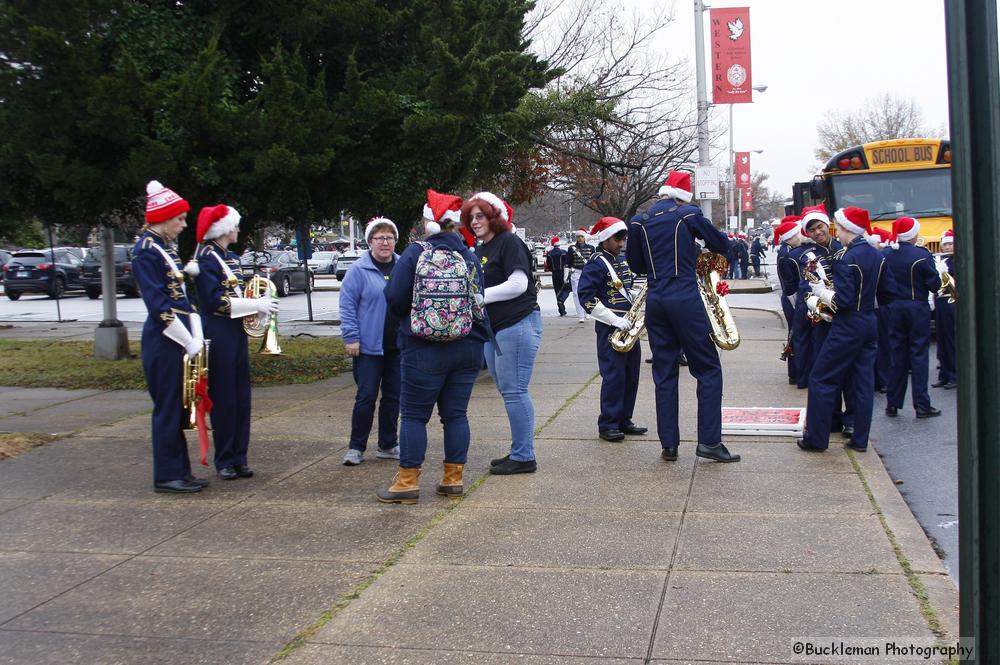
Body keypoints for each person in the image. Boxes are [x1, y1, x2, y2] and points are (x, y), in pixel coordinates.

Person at [375, 190, 490, 503]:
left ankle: (407, 483)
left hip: (422, 347)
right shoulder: (469, 254)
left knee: (413, 416)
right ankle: (454, 478)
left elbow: (396, 298)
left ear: (431, 222)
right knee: (455, 415)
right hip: (467, 347)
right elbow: (479, 299)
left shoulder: (415, 253)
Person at [626, 171, 739, 463]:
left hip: (656, 299)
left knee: (664, 372)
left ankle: (670, 444)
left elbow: (636, 264)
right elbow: (721, 244)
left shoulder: (640, 220)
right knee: (708, 369)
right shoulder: (687, 214)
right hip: (685, 297)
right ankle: (710, 442)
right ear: (684, 194)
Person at [185, 204, 277, 480]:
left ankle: (240, 456)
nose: (238, 230)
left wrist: (255, 307)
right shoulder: (205, 259)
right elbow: (215, 301)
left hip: (235, 331)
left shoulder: (230, 258)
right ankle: (224, 458)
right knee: (224, 397)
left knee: (241, 398)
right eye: (234, 225)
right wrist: (254, 304)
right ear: (223, 229)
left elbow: (237, 292)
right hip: (218, 330)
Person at [797, 207, 896, 452]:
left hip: (847, 323)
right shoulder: (877, 256)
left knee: (821, 378)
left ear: (848, 229)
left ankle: (816, 439)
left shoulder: (845, 258)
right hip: (869, 321)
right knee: (862, 381)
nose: (836, 232)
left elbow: (844, 300)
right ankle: (860, 439)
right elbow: (888, 293)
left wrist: (821, 292)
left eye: (838, 228)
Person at [132, 181, 207, 493]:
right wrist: (186, 340)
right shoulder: (146, 251)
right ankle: (166, 474)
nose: (184, 225)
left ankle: (180, 470)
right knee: (167, 408)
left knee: (179, 405)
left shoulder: (164, 248)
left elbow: (182, 300)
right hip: (165, 340)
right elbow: (160, 307)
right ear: (162, 218)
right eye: (179, 219)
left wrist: (197, 335)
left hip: (178, 337)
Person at [465, 192, 542, 475]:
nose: (475, 222)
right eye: (471, 217)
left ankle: (524, 456)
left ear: (494, 216)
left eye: (481, 216)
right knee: (508, 390)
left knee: (515, 391)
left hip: (517, 324)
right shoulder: (482, 248)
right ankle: (520, 449)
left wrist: (479, 296)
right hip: (494, 329)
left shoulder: (509, 241)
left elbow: (519, 284)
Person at [576, 216, 647, 442]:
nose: (621, 243)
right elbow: (586, 297)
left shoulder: (620, 260)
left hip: (628, 322)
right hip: (611, 326)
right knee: (614, 375)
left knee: (631, 374)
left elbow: (623, 288)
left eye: (623, 239)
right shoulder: (596, 262)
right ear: (605, 238)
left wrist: (634, 297)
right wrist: (612, 319)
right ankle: (608, 423)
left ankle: (624, 419)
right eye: (617, 239)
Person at [340, 217, 402, 466]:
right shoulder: (358, 270)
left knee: (393, 397)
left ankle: (388, 443)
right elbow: (347, 306)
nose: (385, 243)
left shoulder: (402, 267)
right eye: (380, 238)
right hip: (367, 347)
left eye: (389, 238)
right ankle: (356, 447)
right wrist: (351, 337)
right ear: (370, 242)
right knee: (366, 397)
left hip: (397, 347)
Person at [882, 216, 942, 418]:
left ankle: (892, 402)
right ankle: (922, 405)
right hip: (916, 306)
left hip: (893, 307)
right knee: (918, 355)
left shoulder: (886, 254)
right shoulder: (922, 255)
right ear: (913, 234)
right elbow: (934, 285)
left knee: (896, 355)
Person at [774, 216, 804, 385]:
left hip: (788, 297)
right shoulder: (788, 255)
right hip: (791, 299)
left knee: (795, 334)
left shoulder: (786, 252)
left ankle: (795, 371)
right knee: (796, 334)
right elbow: (792, 284)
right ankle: (796, 371)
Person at [932, 229, 956, 389]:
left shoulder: (956, 260)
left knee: (950, 339)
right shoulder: (939, 259)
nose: (947, 247)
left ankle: (953, 375)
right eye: (945, 244)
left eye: (950, 244)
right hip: (939, 302)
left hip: (951, 301)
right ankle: (944, 375)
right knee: (941, 339)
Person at [567, 228, 595, 322]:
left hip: (587, 273)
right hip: (576, 272)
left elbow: (593, 262)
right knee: (576, 294)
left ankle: (588, 311)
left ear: (584, 237)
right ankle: (580, 315)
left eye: (581, 236)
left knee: (589, 292)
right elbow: (568, 262)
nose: (580, 238)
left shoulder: (591, 248)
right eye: (578, 236)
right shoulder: (571, 248)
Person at [544, 236, 570, 316]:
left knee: (557, 291)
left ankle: (561, 310)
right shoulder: (564, 252)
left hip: (554, 273)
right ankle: (562, 300)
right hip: (563, 272)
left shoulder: (549, 253)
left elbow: (548, 265)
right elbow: (567, 263)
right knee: (567, 289)